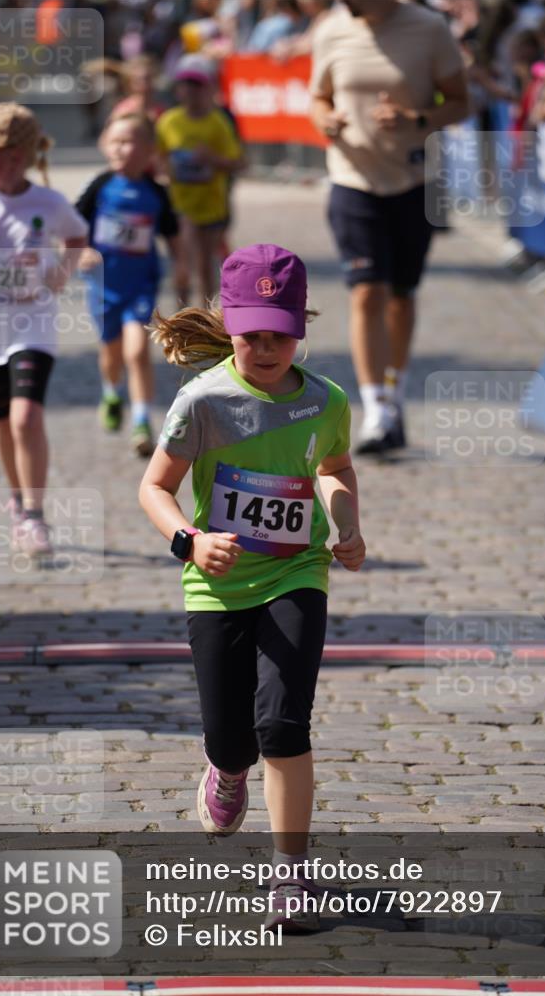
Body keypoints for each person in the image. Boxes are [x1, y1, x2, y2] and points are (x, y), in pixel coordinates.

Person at [139, 243, 365, 932]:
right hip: (217, 585)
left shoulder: (324, 400)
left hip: (296, 573)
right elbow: (154, 487)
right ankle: (225, 772)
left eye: (279, 334)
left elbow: (332, 466)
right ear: (229, 327)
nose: (265, 348)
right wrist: (190, 540)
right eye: (251, 335)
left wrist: (345, 522)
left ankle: (290, 877)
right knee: (233, 739)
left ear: (299, 327)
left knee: (282, 724)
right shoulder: (202, 399)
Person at [310, 0, 469, 453]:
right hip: (351, 177)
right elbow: (317, 96)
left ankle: (394, 393)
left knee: (401, 296)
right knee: (366, 290)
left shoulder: (428, 27)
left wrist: (417, 118)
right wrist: (327, 119)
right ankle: (376, 409)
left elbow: (460, 101)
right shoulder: (330, 29)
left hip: (413, 180)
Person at [0, 102, 87, 555]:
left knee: (25, 416)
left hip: (34, 324)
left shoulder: (47, 203)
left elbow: (77, 237)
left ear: (14, 156)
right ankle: (16, 497)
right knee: (2, 421)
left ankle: (34, 512)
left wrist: (61, 273)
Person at [75, 113, 180, 457]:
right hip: (104, 286)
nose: (120, 148)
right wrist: (84, 250)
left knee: (138, 352)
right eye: (115, 141)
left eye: (129, 141)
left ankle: (141, 420)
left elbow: (173, 235)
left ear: (149, 149)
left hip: (141, 286)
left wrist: (182, 269)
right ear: (105, 145)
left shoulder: (156, 193)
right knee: (112, 354)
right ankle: (111, 391)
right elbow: (73, 230)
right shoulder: (99, 186)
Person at [156, 52, 243, 306]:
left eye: (197, 84)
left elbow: (238, 162)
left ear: (210, 87)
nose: (190, 90)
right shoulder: (169, 121)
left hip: (212, 203)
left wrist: (212, 159)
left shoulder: (219, 122)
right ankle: (181, 319)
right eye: (185, 84)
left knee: (205, 265)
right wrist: (165, 168)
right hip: (180, 204)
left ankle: (205, 321)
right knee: (182, 262)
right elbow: (158, 157)